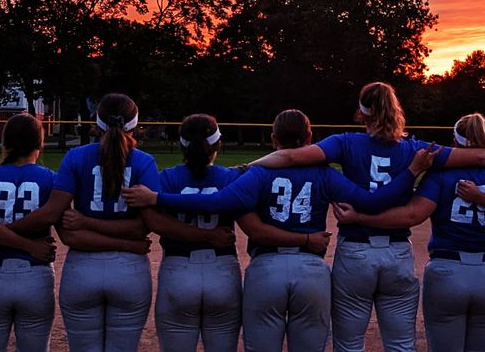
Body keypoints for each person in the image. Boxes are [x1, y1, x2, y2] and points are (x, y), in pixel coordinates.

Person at [126, 108, 436, 352]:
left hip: (264, 269)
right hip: (311, 270)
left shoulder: (256, 173)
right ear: (310, 136)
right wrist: (410, 173)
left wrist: (157, 198)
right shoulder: (323, 173)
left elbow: (220, 204)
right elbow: (371, 201)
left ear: (274, 139)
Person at [246, 82, 485, 352]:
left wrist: (248, 166)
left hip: (356, 250)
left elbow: (290, 157)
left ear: (362, 112)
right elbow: (480, 158)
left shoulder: (345, 142)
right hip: (397, 251)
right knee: (401, 345)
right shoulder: (414, 149)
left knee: (349, 345)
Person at [332, 113, 485, 352]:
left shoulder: (441, 175)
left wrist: (360, 218)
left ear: (455, 142)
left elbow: (412, 215)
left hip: (447, 270)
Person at [54, 93, 160, 351]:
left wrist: (85, 222)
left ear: (95, 122)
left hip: (82, 266)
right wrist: (127, 245)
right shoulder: (145, 161)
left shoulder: (75, 157)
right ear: (135, 124)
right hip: (129, 270)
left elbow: (69, 230)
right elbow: (142, 228)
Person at [0, 113, 67, 352]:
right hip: (35, 275)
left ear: (5, 142)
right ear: (40, 143)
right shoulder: (51, 178)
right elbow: (67, 228)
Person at [144, 114, 246, 352]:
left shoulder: (166, 178)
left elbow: (155, 222)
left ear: (181, 144)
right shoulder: (231, 177)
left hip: (178, 270)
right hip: (222, 270)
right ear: (218, 144)